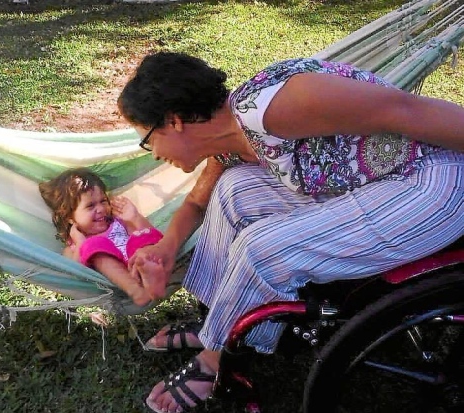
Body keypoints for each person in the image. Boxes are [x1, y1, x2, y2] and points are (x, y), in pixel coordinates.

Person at [117, 52, 464, 413]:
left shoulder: (271, 105)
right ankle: (218, 321)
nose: (154, 154)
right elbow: (196, 204)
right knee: (233, 189)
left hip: (433, 183)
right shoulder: (233, 139)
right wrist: (167, 247)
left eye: (147, 140)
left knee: (263, 250)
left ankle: (216, 356)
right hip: (379, 181)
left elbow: (405, 109)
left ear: (174, 121)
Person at [38, 167, 165, 306]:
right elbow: (76, 274)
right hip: (122, 276)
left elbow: (151, 235)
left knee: (139, 236)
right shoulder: (74, 246)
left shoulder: (120, 221)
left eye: (103, 201)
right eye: (90, 205)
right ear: (70, 217)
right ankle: (135, 290)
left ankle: (151, 277)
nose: (101, 209)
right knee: (93, 245)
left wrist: (135, 218)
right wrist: (82, 244)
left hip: (141, 261)